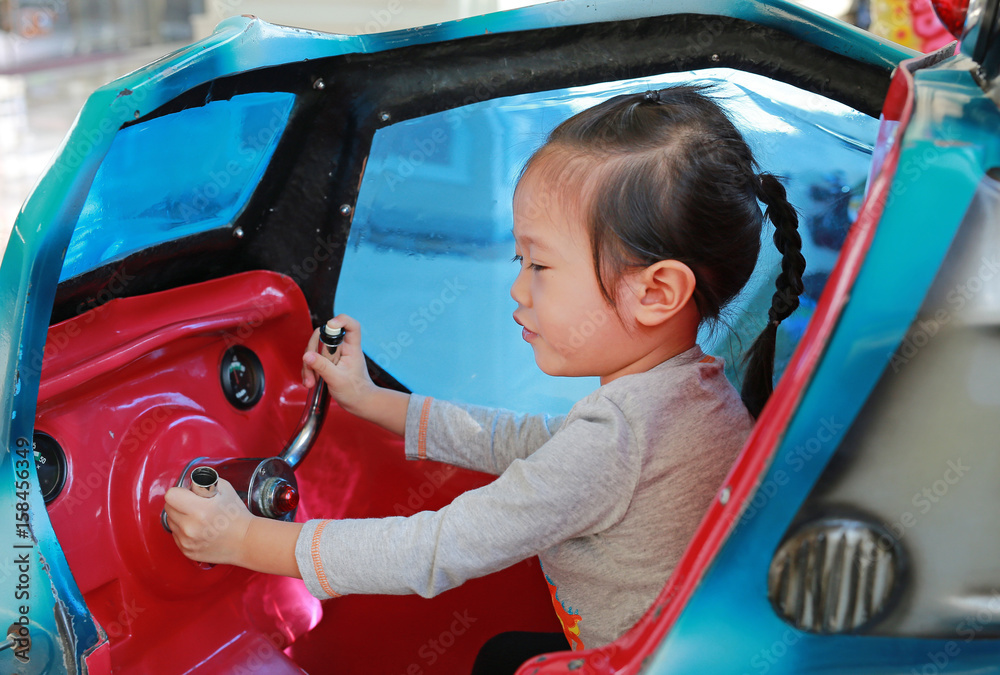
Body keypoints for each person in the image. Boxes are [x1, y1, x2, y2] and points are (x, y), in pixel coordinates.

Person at [163, 84, 805, 673]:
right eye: (519, 259)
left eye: (541, 266)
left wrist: (245, 537)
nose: (516, 289)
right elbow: (521, 442)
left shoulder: (619, 438)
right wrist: (372, 399)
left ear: (657, 290)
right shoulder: (690, 392)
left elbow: (435, 548)